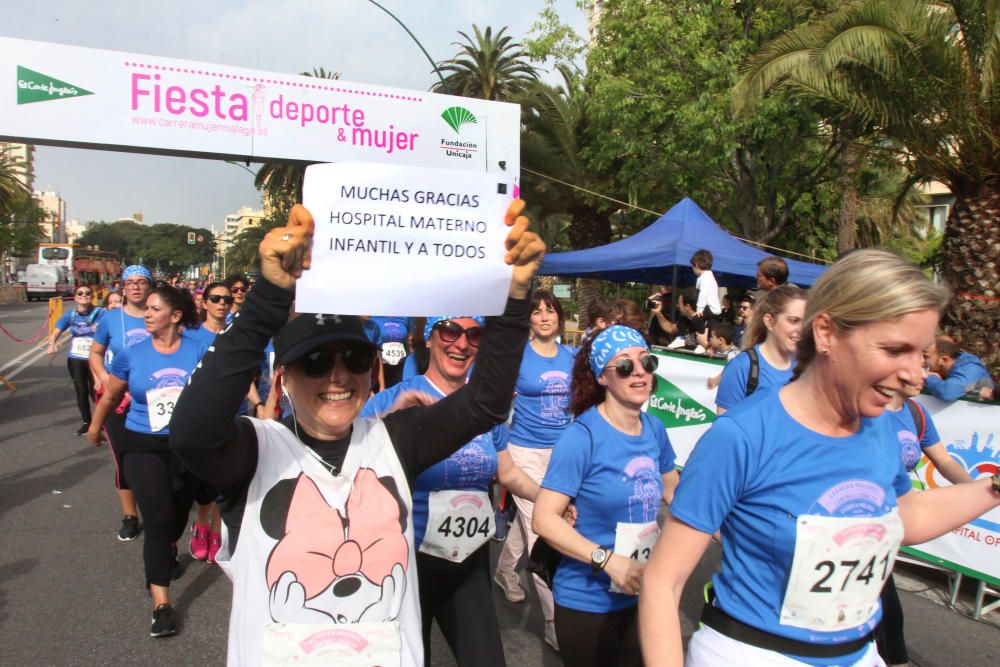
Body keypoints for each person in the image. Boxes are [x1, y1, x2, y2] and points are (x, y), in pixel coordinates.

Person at [168, 201, 544, 666]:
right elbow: (190, 434)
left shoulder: (395, 442)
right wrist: (267, 299)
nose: (338, 377)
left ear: (372, 372)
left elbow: (485, 401)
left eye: (355, 360)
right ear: (284, 376)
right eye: (318, 362)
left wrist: (514, 298)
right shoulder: (255, 450)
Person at [638, 249, 1000, 667]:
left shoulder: (880, 425)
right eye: (895, 349)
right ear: (826, 332)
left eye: (921, 354)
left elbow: (907, 515)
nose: (917, 375)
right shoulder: (741, 436)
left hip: (861, 654)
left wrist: (994, 487)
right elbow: (663, 583)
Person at [360, 313, 542, 667]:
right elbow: (347, 459)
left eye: (474, 335)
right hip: (407, 562)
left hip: (469, 562)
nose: (461, 344)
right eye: (450, 331)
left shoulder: (484, 406)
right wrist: (388, 419)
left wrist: (553, 500)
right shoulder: (394, 399)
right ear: (428, 339)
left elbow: (508, 472)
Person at [533, 325, 679, 667]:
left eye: (646, 361)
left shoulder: (655, 429)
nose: (639, 371)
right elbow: (544, 518)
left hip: (641, 594)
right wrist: (609, 562)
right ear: (602, 377)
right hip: (588, 602)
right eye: (625, 366)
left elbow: (674, 491)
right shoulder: (581, 437)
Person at [87, 284, 207, 638]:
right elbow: (111, 394)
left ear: (176, 315)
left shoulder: (199, 350)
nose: (147, 314)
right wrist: (95, 428)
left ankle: (168, 546)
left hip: (185, 447)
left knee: (178, 513)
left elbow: (215, 395)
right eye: (147, 309)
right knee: (157, 518)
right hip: (141, 442)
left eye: (155, 309)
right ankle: (162, 605)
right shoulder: (132, 352)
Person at [494, 290, 577, 650]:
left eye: (550, 310)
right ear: (528, 318)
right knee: (545, 532)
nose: (544, 316)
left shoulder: (571, 357)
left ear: (559, 316)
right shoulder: (517, 358)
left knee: (528, 520)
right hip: (524, 454)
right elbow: (494, 399)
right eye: (537, 311)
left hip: (563, 454)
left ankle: (503, 570)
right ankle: (553, 622)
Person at [877, 373, 974, 667]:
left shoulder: (916, 412)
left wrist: (981, 490)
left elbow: (944, 461)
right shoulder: (868, 410)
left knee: (882, 610)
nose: (925, 375)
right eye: (916, 361)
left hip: (897, 521)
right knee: (886, 610)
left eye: (927, 363)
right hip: (863, 524)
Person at [90, 266, 153, 542]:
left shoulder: (160, 315)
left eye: (141, 282)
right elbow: (95, 352)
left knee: (158, 458)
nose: (136, 287)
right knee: (124, 458)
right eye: (130, 283)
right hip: (118, 400)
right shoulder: (111, 318)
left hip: (154, 398)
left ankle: (159, 511)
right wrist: (106, 380)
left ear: (150, 286)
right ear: (123, 287)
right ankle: (130, 515)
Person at [183, 281, 234, 564]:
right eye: (215, 298)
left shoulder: (236, 334)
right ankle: (201, 522)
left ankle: (216, 528)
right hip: (199, 413)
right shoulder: (190, 335)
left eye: (226, 299)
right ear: (204, 303)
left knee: (223, 475)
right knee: (202, 479)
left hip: (231, 412)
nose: (222, 303)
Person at [714, 284, 806, 414]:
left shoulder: (807, 368)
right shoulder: (741, 367)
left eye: (804, 321)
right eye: (793, 321)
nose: (800, 329)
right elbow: (724, 429)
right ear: (769, 321)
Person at [47, 284, 105, 435]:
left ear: (92, 296)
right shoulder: (70, 315)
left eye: (88, 293)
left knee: (97, 390)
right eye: (80, 293)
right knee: (81, 391)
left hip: (95, 358)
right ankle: (87, 422)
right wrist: (52, 343)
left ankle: (103, 421)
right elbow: (56, 331)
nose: (84, 295)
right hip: (76, 358)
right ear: (75, 297)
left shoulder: (101, 312)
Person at [925, 336, 996, 402]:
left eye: (926, 356)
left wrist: (928, 377)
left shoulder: (970, 369)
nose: (922, 360)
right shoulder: (951, 364)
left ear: (944, 360)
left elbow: (947, 393)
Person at [691, 249, 722, 319]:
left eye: (692, 267)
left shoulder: (706, 277)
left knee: (693, 318)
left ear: (696, 265)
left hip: (711, 310)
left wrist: (699, 310)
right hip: (708, 309)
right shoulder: (705, 277)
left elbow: (703, 293)